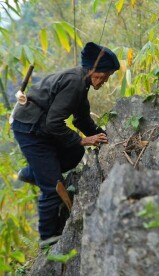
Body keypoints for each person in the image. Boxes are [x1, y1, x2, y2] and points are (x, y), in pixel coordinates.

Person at [11, 42, 120, 247]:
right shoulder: (75, 82)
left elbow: (82, 120)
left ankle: (32, 173)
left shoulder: (82, 83)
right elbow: (54, 123)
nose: (106, 80)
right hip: (30, 129)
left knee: (74, 151)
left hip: (40, 127)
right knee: (54, 187)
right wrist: (83, 139)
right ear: (95, 71)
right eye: (106, 75)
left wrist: (105, 137)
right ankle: (48, 239)